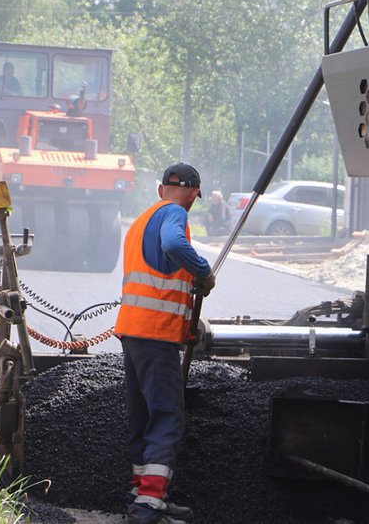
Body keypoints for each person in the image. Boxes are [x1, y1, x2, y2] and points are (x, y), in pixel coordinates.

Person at [114, 162, 216, 524]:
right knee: (168, 417)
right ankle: (148, 506)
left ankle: (142, 495)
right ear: (193, 195)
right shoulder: (174, 213)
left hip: (134, 331)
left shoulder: (144, 217)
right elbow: (174, 244)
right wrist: (202, 272)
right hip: (155, 335)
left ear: (160, 189)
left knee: (143, 418)